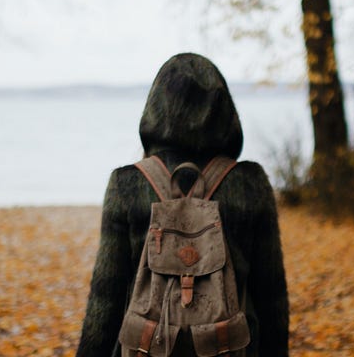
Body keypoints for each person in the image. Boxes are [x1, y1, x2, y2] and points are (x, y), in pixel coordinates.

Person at [76, 53, 289, 357]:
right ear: (225, 112)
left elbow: (105, 300)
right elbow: (272, 300)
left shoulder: (126, 183)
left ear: (155, 109)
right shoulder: (250, 183)